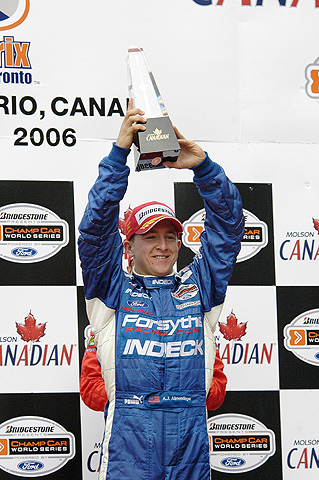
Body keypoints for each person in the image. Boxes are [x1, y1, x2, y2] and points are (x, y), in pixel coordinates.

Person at [78, 99, 244, 480]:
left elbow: (230, 229)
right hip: (129, 449)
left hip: (190, 447)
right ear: (129, 244)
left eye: (171, 236)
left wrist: (203, 168)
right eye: (150, 236)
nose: (163, 246)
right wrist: (118, 156)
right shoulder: (110, 289)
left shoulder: (200, 285)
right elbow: (93, 231)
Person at [80, 335, 227, 413]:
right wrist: (141, 401)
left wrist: (181, 395)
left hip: (186, 440)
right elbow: (90, 387)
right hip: (128, 438)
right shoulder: (113, 318)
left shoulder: (195, 321)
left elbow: (217, 393)